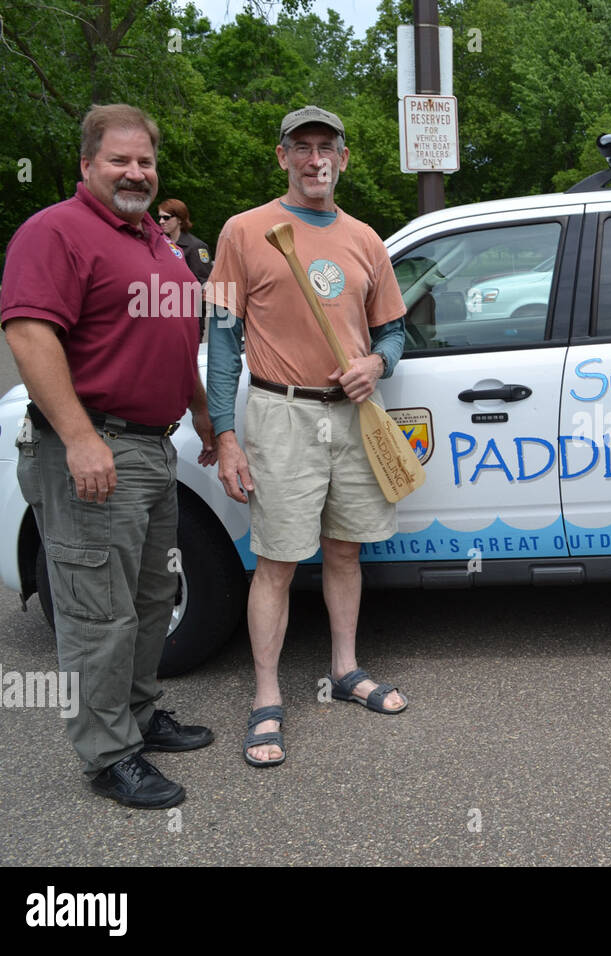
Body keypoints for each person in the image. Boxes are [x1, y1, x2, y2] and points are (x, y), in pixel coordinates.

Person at [0, 104, 217, 807]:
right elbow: (31, 334)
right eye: (119, 160)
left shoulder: (156, 243)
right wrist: (81, 437)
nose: (135, 171)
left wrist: (205, 418)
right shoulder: (54, 232)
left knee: (151, 598)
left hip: (152, 451)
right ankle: (107, 755)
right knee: (98, 610)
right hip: (92, 450)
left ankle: (139, 714)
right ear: (86, 165)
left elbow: (176, 344)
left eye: (145, 161)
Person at [206, 105, 408, 767]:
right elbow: (223, 343)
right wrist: (227, 437)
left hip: (350, 416)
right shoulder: (246, 231)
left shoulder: (366, 239)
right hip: (280, 414)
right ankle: (267, 698)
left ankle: (346, 670)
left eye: (327, 147)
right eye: (303, 147)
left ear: (344, 159)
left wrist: (378, 364)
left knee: (345, 553)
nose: (315, 158)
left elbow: (394, 331)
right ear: (283, 156)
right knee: (278, 561)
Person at [158, 198, 213, 336]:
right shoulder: (162, 244)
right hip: (163, 316)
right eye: (159, 217)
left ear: (180, 219)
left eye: (166, 217)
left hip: (189, 318)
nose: (161, 221)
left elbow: (204, 285)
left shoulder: (196, 247)